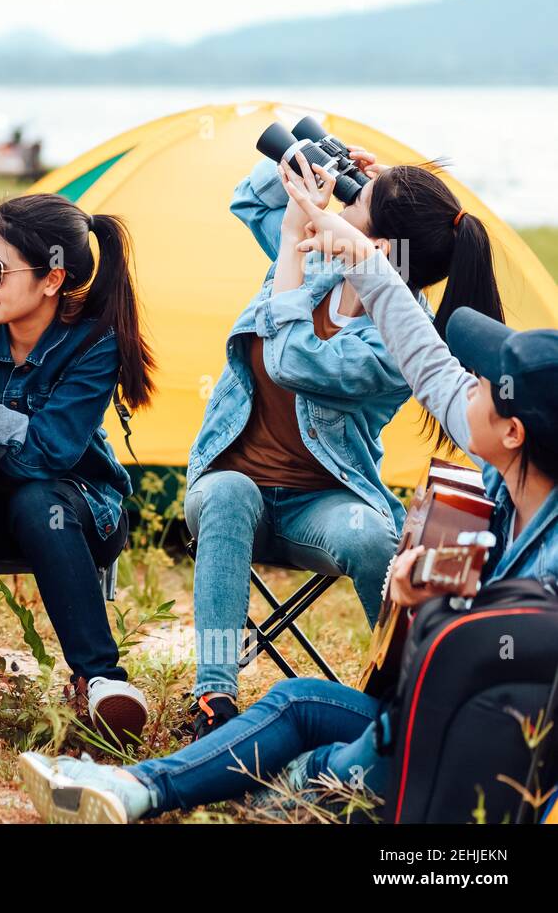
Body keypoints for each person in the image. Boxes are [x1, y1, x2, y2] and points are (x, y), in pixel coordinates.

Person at [16, 179, 558, 824]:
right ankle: (141, 783)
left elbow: (295, 359)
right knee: (297, 700)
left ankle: (245, 791)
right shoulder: (498, 476)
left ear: (513, 432)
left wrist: (431, 611)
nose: (459, 382)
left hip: (458, 752)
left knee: (298, 785)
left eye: (482, 386)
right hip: (418, 708)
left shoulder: (545, 557)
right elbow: (427, 354)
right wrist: (309, 198)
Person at [183, 148, 505, 736]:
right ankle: (215, 699)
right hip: (231, 484)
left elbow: (290, 361)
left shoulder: (398, 340)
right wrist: (311, 156)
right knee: (229, 492)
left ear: (381, 248)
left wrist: (289, 242)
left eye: (357, 198)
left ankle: (408, 697)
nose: (343, 197)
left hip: (322, 503)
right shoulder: (322, 257)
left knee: (371, 534)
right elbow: (249, 198)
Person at [0, 193, 156, 744]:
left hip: (75, 511)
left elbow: (49, 455)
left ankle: (100, 681)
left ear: (51, 279)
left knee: (38, 499)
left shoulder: (95, 343)